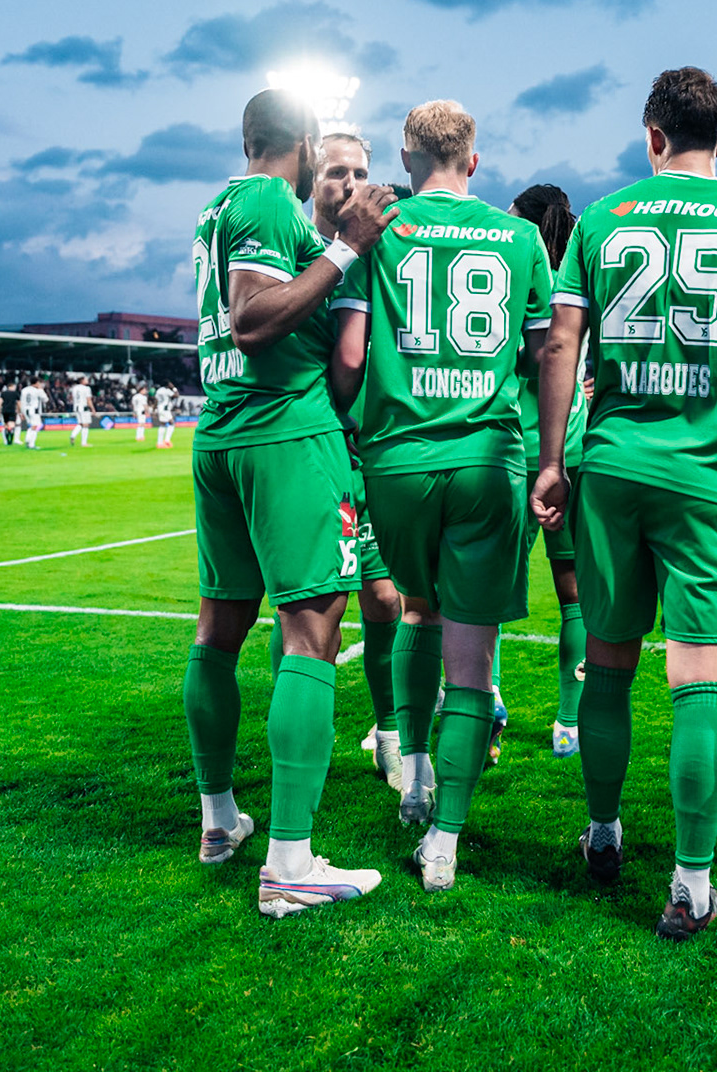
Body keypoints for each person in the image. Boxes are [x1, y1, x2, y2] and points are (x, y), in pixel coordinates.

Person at [531, 67, 717, 941]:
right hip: (707, 478)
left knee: (607, 662)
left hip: (611, 468)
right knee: (699, 675)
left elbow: (562, 342)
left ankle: (604, 831)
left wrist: (551, 460)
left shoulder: (603, 218)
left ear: (652, 136)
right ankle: (689, 883)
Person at [182, 87, 396, 918]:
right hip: (283, 433)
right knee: (311, 634)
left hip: (221, 433)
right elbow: (252, 319)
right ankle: (291, 863)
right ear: (303, 142)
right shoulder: (270, 199)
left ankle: (219, 821)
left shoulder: (217, 206)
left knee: (218, 630)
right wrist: (344, 249)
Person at [330, 100, 553, 892]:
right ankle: (446, 843)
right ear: (474, 160)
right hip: (487, 459)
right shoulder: (521, 238)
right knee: (472, 663)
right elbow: (545, 357)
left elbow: (348, 360)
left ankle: (414, 776)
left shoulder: (376, 231)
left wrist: (354, 425)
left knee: (416, 612)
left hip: (396, 460)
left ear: (405, 157)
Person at [300, 131, 405, 793]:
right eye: (338, 171)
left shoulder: (376, 253)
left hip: (368, 454)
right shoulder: (296, 250)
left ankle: (388, 734)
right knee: (314, 607)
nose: (351, 184)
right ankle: (298, 748)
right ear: (310, 176)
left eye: (362, 172)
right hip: (313, 452)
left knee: (386, 599)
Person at [508, 182, 590, 760]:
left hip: (519, 448)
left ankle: (486, 697)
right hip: (576, 446)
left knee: (485, 588)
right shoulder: (579, 279)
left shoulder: (518, 277)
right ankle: (569, 724)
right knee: (574, 593)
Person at [18, 377, 48, 450]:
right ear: (37, 382)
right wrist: (41, 389)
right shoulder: (37, 390)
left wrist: (21, 412)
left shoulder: (24, 390)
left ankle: (28, 440)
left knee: (32, 426)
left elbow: (22, 401)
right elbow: (46, 399)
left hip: (25, 410)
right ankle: (31, 444)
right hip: (34, 410)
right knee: (35, 426)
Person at [68, 376, 95, 447]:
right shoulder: (87, 388)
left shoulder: (74, 388)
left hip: (76, 407)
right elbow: (88, 399)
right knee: (86, 424)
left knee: (80, 424)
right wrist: (92, 409)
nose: (87, 380)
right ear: (82, 381)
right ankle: (84, 443)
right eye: (86, 379)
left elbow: (72, 397)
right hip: (83, 407)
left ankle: (73, 435)